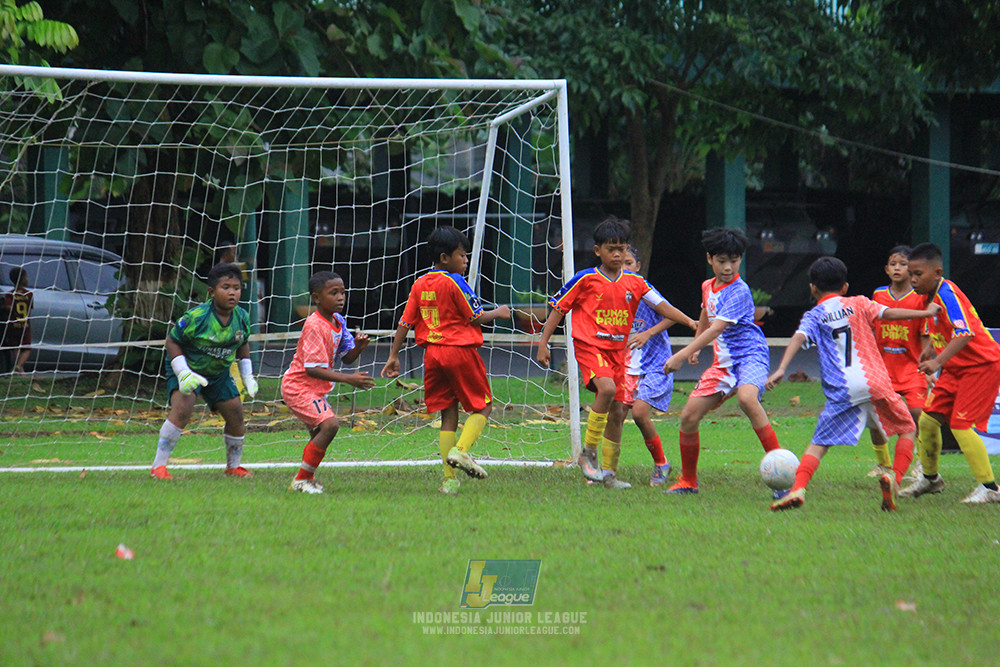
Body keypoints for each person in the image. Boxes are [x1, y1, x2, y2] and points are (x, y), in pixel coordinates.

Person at [766, 257, 938, 512]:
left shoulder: (814, 315)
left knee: (819, 444)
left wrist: (781, 368)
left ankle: (798, 489)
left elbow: (798, 337)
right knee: (908, 428)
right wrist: (926, 312)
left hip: (843, 389)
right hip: (876, 382)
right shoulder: (859, 303)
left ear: (813, 288)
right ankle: (895, 478)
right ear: (845, 287)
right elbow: (890, 313)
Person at [537, 217, 697, 489]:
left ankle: (609, 475)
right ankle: (588, 453)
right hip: (590, 346)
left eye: (621, 249)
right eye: (611, 249)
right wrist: (544, 342)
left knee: (618, 410)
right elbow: (559, 308)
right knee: (608, 390)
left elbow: (663, 307)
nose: (617, 254)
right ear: (598, 250)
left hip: (618, 353)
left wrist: (690, 322)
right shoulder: (585, 279)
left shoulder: (635, 282)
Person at [381, 227, 511, 495]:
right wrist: (498, 312)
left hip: (433, 355)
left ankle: (449, 480)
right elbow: (475, 317)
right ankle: (461, 451)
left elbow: (405, 322)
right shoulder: (455, 282)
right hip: (459, 351)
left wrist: (393, 355)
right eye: (461, 255)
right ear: (444, 258)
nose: (465, 260)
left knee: (448, 414)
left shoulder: (420, 283)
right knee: (484, 406)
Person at [662, 228, 782, 495]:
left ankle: (783, 474)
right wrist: (696, 345)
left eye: (734, 261)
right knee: (689, 416)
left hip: (750, 355)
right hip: (724, 363)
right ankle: (688, 482)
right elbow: (706, 314)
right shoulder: (708, 286)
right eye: (722, 261)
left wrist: (681, 354)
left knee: (747, 399)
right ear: (709, 259)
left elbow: (717, 329)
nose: (728, 267)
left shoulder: (739, 291)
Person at [899, 242, 1000, 504]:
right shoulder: (928, 296)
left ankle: (990, 488)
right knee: (927, 421)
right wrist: (930, 349)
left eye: (918, 274)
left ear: (937, 272)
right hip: (956, 369)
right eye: (911, 274)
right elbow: (943, 327)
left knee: (960, 425)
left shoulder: (947, 294)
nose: (913, 279)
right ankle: (930, 479)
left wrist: (937, 362)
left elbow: (964, 333)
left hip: (981, 366)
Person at [150, 263, 258, 480]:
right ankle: (158, 466)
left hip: (218, 373)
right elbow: (172, 341)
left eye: (236, 288)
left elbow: (242, 343)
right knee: (182, 409)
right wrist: (182, 372)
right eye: (225, 287)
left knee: (236, 412)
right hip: (188, 368)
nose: (232, 293)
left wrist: (247, 375)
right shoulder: (197, 317)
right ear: (212, 291)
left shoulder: (242, 317)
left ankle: (233, 466)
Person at [282, 271, 374, 494]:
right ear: (316, 298)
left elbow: (347, 358)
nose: (341, 297)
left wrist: (358, 348)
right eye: (334, 293)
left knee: (320, 434)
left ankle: (306, 479)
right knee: (330, 425)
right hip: (299, 387)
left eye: (343, 292)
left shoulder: (338, 321)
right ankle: (301, 480)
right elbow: (312, 369)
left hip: (315, 390)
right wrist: (349, 379)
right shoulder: (314, 325)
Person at [869, 245, 928, 481]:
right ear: (886, 269)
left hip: (912, 369)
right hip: (883, 369)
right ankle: (883, 464)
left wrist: (927, 364)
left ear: (911, 269)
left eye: (903, 264)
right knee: (875, 418)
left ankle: (922, 463)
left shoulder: (920, 298)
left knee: (919, 414)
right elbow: (872, 328)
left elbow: (925, 334)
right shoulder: (878, 295)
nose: (897, 268)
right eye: (893, 264)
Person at [622, 247, 676, 486]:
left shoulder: (646, 291)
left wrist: (648, 333)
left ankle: (661, 462)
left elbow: (672, 315)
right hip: (625, 366)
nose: (623, 268)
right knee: (615, 416)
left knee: (639, 413)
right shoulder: (609, 293)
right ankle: (607, 468)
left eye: (628, 263)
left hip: (655, 364)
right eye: (619, 263)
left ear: (638, 266)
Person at [4, 267, 33, 373]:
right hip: (25, 325)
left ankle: (20, 371)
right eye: (26, 277)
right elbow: (29, 309)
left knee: (16, 348)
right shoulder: (29, 294)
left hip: (13, 325)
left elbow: (8, 307)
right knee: (27, 348)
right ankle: (19, 366)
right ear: (22, 279)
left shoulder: (9, 294)